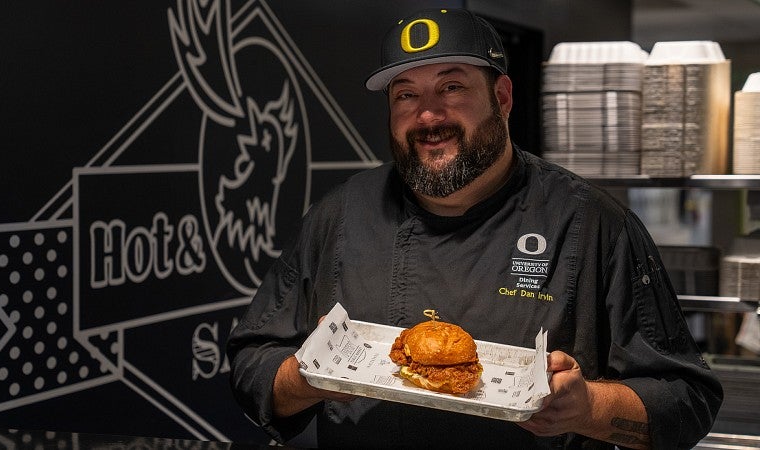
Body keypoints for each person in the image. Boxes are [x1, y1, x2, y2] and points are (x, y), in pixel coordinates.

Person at [226, 7, 723, 449]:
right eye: (406, 95)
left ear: (502, 97)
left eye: (452, 86)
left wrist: (588, 407)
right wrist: (309, 376)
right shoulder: (339, 215)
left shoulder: (593, 223)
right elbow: (251, 368)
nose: (427, 114)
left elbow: (686, 402)